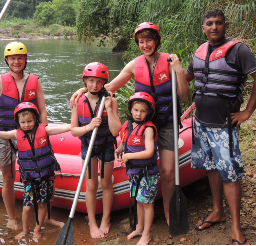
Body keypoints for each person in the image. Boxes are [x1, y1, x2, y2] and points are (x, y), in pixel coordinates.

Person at [70, 22, 189, 225]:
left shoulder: (170, 61)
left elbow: (184, 96)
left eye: (149, 40)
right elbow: (108, 86)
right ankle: (143, 215)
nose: (145, 45)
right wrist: (85, 90)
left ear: (156, 41)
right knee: (141, 167)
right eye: (141, 42)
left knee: (168, 172)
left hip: (167, 121)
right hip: (143, 124)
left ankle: (169, 212)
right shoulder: (134, 65)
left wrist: (178, 71)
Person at [185, 9, 256, 245]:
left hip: (224, 124)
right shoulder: (200, 51)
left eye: (218, 23)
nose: (214, 27)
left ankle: (235, 225)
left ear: (225, 25)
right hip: (200, 122)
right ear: (203, 28)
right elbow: (187, 76)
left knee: (230, 173)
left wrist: (248, 111)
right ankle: (217, 211)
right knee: (211, 167)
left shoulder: (238, 50)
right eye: (209, 24)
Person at [0, 39, 49, 230]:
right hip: (5, 136)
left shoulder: (34, 81)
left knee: (39, 175)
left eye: (20, 58)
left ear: (25, 59)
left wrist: (44, 132)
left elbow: (43, 110)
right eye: (13, 58)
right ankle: (12, 217)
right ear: (7, 60)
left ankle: (42, 216)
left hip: (29, 137)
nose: (17, 62)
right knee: (7, 178)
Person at [0, 102, 70, 240]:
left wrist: (82, 124)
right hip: (29, 178)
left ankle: (37, 229)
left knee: (43, 204)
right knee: (27, 207)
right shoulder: (16, 134)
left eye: (30, 121)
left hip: (45, 176)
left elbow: (65, 128)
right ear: (18, 122)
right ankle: (26, 231)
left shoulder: (45, 130)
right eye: (23, 122)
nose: (26, 125)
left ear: (35, 119)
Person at [70, 62, 121, 238]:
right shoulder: (78, 101)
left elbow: (115, 131)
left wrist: (108, 108)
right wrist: (88, 127)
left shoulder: (110, 100)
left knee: (106, 184)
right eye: (91, 80)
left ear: (104, 82)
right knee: (91, 185)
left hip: (106, 145)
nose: (94, 85)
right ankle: (92, 222)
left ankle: (105, 219)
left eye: (99, 81)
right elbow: (74, 130)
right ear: (85, 81)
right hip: (88, 147)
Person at [115, 92, 159, 245]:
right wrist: (119, 150)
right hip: (134, 172)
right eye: (136, 110)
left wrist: (129, 157)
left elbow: (149, 151)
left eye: (143, 111)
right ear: (130, 109)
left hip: (148, 173)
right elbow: (125, 142)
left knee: (146, 203)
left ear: (149, 112)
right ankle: (139, 228)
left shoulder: (148, 129)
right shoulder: (128, 125)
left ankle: (146, 234)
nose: (138, 114)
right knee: (139, 201)